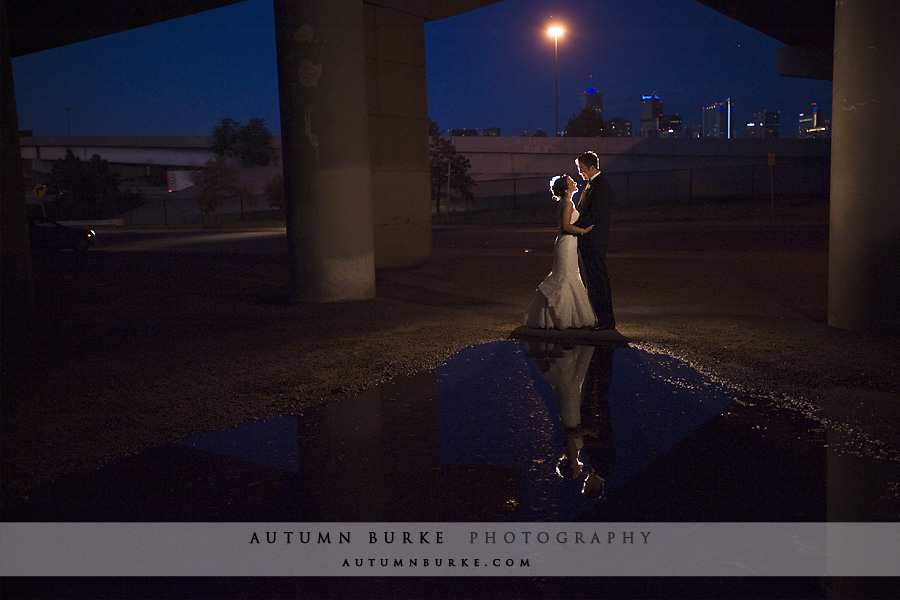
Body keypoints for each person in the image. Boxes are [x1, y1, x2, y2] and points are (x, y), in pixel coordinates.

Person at [522, 173, 597, 329]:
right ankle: (561, 316)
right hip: (567, 242)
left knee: (567, 274)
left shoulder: (566, 202)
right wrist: (583, 231)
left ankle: (559, 315)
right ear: (566, 189)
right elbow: (565, 226)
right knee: (564, 275)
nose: (575, 182)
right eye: (571, 182)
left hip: (567, 243)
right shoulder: (567, 204)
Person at [573, 151, 616, 330]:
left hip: (594, 240)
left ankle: (606, 320)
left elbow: (596, 215)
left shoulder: (601, 186)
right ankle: (601, 318)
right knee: (592, 279)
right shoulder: (590, 185)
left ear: (592, 167)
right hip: (588, 240)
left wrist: (575, 227)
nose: (580, 172)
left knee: (598, 279)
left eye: (582, 169)